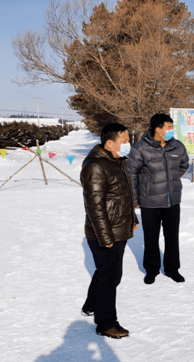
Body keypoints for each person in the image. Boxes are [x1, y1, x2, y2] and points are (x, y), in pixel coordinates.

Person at [80, 123, 138, 339]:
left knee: (105, 271)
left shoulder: (116, 161)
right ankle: (106, 323)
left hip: (117, 228)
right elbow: (94, 206)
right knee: (111, 277)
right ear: (109, 143)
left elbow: (124, 195)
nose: (127, 144)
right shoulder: (96, 166)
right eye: (124, 141)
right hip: (106, 233)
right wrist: (105, 237)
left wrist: (131, 218)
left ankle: (91, 305)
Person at [127, 113, 189, 284]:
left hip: (172, 201)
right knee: (151, 238)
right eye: (169, 127)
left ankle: (172, 269)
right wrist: (135, 199)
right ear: (158, 129)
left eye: (172, 127)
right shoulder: (141, 148)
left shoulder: (177, 147)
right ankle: (151, 270)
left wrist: (171, 180)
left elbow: (184, 165)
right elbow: (131, 172)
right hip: (149, 202)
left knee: (172, 237)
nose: (171, 131)